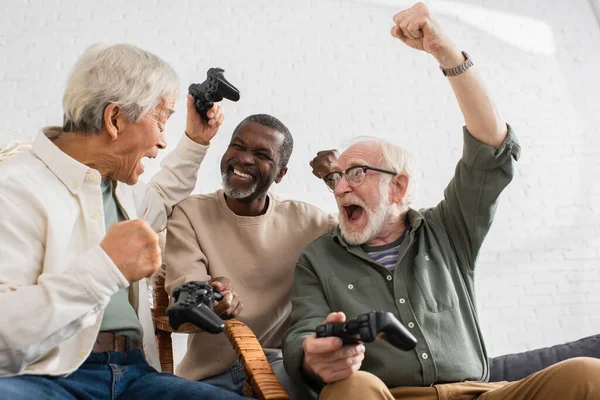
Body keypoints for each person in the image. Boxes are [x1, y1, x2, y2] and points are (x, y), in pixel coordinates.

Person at [282, 3, 600, 400]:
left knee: (588, 375)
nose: (341, 186)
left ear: (398, 188)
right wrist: (315, 358)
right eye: (336, 177)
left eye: (358, 172)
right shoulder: (317, 259)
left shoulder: (449, 231)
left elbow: (491, 148)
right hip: (389, 397)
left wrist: (446, 53)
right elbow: (303, 335)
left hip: (481, 393)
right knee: (349, 389)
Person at [0, 43, 245, 400]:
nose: (163, 141)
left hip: (135, 374)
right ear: (115, 119)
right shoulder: (14, 189)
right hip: (46, 375)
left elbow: (161, 198)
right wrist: (106, 269)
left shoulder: (120, 188)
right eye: (161, 118)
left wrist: (195, 140)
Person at [164, 114, 337, 398]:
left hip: (277, 368)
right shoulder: (190, 213)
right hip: (207, 377)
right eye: (237, 146)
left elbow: (375, 237)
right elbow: (186, 291)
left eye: (261, 154)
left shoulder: (312, 223)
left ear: (281, 173)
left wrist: (337, 178)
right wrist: (210, 299)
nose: (244, 159)